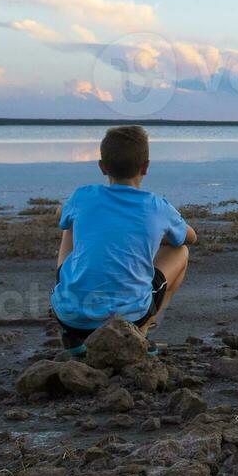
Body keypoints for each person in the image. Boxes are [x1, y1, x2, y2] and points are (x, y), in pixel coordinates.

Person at [51, 125, 195, 354]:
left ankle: (73, 339)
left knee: (69, 226)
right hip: (129, 320)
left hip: (71, 318)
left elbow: (60, 216)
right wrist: (154, 236)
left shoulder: (84, 195)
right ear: (145, 167)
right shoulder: (156, 205)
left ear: (102, 167)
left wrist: (72, 210)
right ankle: (143, 332)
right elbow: (189, 237)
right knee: (181, 252)